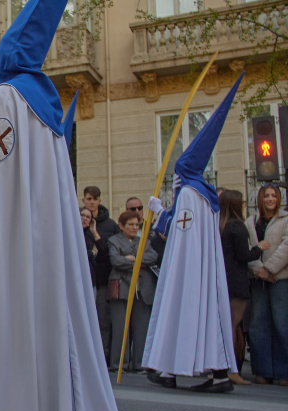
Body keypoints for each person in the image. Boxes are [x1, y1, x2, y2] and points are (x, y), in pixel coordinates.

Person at [0, 1, 133, 411]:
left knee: (6, 326)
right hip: (45, 253)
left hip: (9, 255)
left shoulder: (7, 98)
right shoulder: (48, 109)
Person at [144, 74, 244, 393]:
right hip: (203, 270)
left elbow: (179, 234)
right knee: (206, 318)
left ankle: (175, 372)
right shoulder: (206, 194)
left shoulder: (188, 194)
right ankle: (207, 373)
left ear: (183, 170)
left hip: (187, 271)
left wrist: (160, 213)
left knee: (182, 314)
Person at [220, 189, 268, 385]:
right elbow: (243, 256)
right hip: (238, 281)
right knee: (233, 325)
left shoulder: (220, 226)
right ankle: (231, 368)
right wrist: (260, 248)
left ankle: (224, 368)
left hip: (225, 280)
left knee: (226, 325)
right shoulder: (237, 227)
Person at [244, 184, 288, 387]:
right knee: (258, 324)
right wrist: (259, 270)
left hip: (281, 278)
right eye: (267, 196)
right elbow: (246, 250)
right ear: (260, 199)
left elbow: (285, 248)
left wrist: (269, 269)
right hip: (258, 280)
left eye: (274, 196)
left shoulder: (285, 220)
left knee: (281, 323)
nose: (271, 199)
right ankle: (262, 370)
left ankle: (283, 371)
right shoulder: (250, 222)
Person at [107, 210, 157, 373]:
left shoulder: (145, 240)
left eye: (137, 224)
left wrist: (132, 259)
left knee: (141, 327)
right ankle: (119, 363)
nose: (135, 227)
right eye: (131, 224)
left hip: (142, 289)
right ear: (121, 225)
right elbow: (116, 261)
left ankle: (139, 363)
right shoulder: (113, 240)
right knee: (120, 329)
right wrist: (135, 260)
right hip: (121, 288)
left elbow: (152, 257)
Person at [84, 186, 120, 363]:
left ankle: (102, 356)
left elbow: (110, 251)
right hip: (83, 280)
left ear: (99, 200)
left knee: (102, 320)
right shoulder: (77, 221)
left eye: (95, 198)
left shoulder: (110, 225)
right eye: (89, 198)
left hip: (102, 279)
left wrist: (97, 238)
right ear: (83, 200)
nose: (92, 202)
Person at [81, 207, 107, 289]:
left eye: (88, 217)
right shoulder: (69, 233)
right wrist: (92, 253)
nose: (85, 218)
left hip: (90, 278)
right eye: (82, 215)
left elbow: (103, 252)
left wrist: (94, 232)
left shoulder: (90, 235)